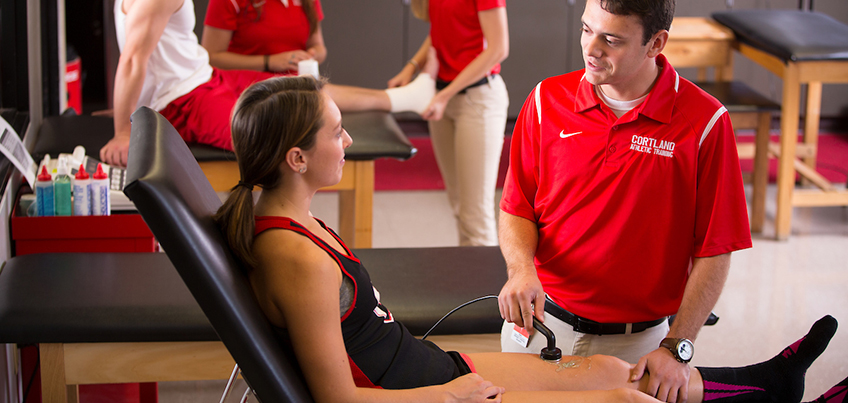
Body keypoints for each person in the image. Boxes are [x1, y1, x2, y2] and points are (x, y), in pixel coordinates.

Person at [212, 75, 848, 403]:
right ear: (296, 158)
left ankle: (769, 380)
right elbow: (336, 401)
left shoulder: (298, 221)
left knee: (605, 369)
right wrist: (449, 394)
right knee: (622, 398)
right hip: (421, 391)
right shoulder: (294, 256)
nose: (348, 141)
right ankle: (772, 390)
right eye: (335, 132)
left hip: (422, 369)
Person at [496, 0, 753, 401]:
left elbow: (715, 250)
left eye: (611, 39)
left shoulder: (705, 123)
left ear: (656, 44)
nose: (591, 48)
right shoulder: (547, 100)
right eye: (586, 29)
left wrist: (677, 346)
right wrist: (520, 270)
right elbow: (517, 207)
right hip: (540, 325)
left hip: (639, 346)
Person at [102, 0, 436, 167]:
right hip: (183, 100)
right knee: (271, 135)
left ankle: (403, 97)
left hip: (204, 77)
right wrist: (123, 129)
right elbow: (133, 59)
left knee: (301, 87)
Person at [387, 0, 509, 246]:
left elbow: (498, 49)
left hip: (477, 100)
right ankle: (470, 279)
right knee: (458, 205)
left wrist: (444, 95)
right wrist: (411, 68)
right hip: (445, 96)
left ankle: (481, 284)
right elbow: (440, 33)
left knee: (475, 216)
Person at [202, 0, 326, 73]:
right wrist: (268, 62)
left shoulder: (308, 2)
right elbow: (212, 57)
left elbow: (318, 47)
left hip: (295, 81)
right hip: (247, 86)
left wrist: (311, 55)